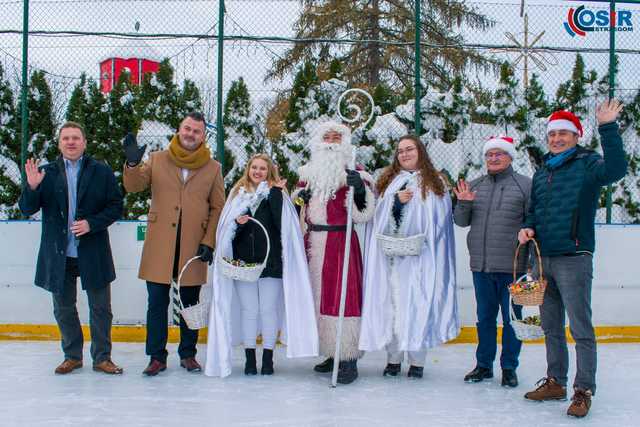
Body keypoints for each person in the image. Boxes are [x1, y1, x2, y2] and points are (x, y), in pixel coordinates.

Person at [518, 100, 627, 418]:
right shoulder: (542, 172)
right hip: (544, 257)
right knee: (551, 326)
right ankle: (556, 381)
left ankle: (583, 390)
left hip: (574, 257)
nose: (557, 139)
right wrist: (527, 227)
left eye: (564, 133)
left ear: (576, 136)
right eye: (553, 134)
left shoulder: (589, 163)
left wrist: (607, 126)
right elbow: (534, 210)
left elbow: (617, 170)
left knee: (580, 327)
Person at [123, 112, 225, 376]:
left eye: (197, 131)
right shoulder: (157, 159)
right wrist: (132, 164)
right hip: (161, 245)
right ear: (179, 130)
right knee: (156, 302)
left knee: (190, 303)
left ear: (203, 136)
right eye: (187, 128)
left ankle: (188, 354)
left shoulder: (213, 168)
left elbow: (218, 208)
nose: (191, 134)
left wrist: (209, 241)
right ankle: (156, 356)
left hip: (193, 245)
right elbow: (133, 186)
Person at [19, 121, 124, 375]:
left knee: (101, 308)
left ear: (84, 142)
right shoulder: (46, 173)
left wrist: (91, 224)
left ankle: (102, 357)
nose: (71, 142)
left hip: (92, 251)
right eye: (66, 138)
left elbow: (115, 207)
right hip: (59, 255)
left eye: (76, 137)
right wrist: (32, 187)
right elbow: (27, 208)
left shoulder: (101, 171)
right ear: (59, 143)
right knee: (63, 308)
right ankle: (72, 355)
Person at [204, 154, 318, 377]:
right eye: (254, 167)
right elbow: (227, 233)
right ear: (248, 169)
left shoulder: (277, 195)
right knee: (249, 311)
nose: (257, 172)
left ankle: (267, 358)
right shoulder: (238, 196)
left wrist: (276, 193)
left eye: (262, 168)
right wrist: (236, 223)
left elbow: (283, 224)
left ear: (269, 172)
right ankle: (249, 359)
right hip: (243, 265)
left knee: (267, 310)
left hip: (271, 263)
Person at [359, 135, 459, 379]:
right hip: (392, 259)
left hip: (421, 259)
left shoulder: (434, 183)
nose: (404, 154)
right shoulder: (389, 182)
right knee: (392, 305)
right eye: (400, 151)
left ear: (420, 151)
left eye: (409, 149)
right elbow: (379, 217)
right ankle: (393, 359)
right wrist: (396, 202)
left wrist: (425, 237)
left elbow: (440, 221)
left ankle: (417, 361)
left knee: (417, 306)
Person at [292, 121, 376, 384]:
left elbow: (364, 213)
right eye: (326, 136)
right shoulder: (307, 173)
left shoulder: (355, 171)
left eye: (336, 137)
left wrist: (360, 189)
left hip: (341, 241)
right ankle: (331, 352)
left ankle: (348, 357)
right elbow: (295, 204)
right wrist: (300, 199)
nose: (330, 141)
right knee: (318, 298)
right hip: (313, 239)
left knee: (343, 296)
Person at [453, 136, 531, 387]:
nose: (494, 158)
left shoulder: (525, 186)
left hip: (514, 268)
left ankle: (509, 367)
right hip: (481, 267)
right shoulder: (475, 185)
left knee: (512, 320)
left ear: (510, 157)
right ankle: (483, 365)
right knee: (484, 317)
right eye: (490, 154)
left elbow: (532, 224)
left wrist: (529, 265)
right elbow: (461, 221)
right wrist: (464, 203)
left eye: (499, 154)